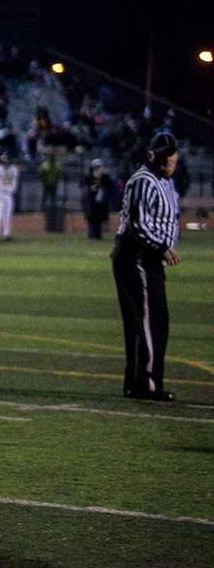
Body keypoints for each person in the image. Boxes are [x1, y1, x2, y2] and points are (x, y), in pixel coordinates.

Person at [111, 133, 182, 402]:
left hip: (145, 255)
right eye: (168, 154)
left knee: (145, 320)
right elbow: (139, 224)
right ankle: (146, 382)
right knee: (151, 321)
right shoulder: (144, 180)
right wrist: (162, 247)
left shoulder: (166, 182)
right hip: (138, 255)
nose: (172, 158)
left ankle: (136, 380)